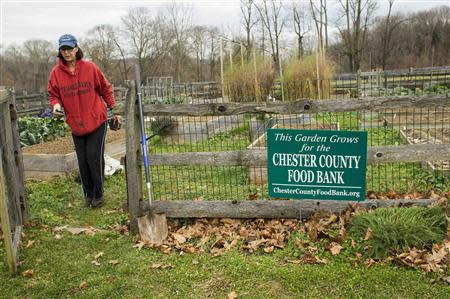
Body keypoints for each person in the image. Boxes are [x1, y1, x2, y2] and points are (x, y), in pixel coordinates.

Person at [48, 34, 116, 208]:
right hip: (76, 124)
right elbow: (54, 94)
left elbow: (105, 88)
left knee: (94, 157)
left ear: (76, 49)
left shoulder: (90, 68)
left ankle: (98, 195)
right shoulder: (56, 74)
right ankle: (88, 195)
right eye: (63, 49)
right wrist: (56, 106)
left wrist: (113, 108)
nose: (67, 52)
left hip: (96, 120)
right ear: (60, 51)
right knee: (83, 160)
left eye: (70, 48)